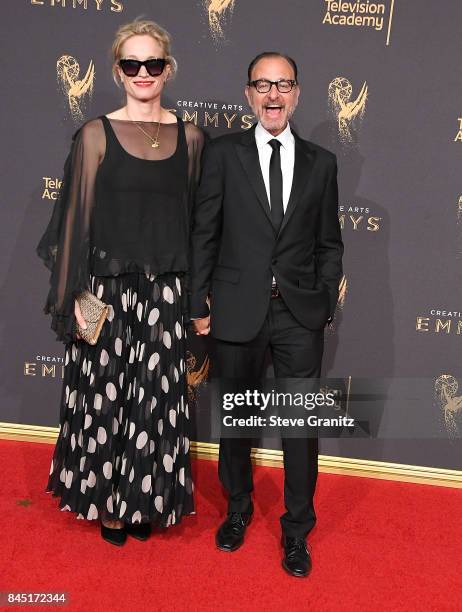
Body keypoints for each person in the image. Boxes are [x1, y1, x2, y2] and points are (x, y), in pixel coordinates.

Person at [37, 19, 204, 546]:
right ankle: (108, 504)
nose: (143, 73)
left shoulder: (193, 138)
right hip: (105, 292)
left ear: (168, 69)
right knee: (104, 399)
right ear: (117, 71)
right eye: (132, 64)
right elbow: (74, 224)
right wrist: (71, 307)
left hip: (167, 293)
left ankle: (143, 502)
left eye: (153, 64)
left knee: (156, 401)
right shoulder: (95, 134)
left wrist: (200, 297)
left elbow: (201, 226)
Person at [190, 52, 343, 577]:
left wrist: (321, 300)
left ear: (298, 93)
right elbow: (204, 232)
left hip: (299, 315)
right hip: (235, 311)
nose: (273, 95)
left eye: (283, 85)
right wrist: (197, 304)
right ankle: (237, 510)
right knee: (238, 422)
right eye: (263, 84)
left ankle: (297, 531)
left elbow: (330, 243)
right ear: (248, 94)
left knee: (300, 428)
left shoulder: (322, 163)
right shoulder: (223, 154)